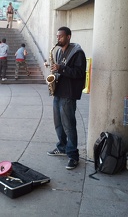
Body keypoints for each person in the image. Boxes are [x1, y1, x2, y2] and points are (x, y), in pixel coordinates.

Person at [47, 26, 87, 170]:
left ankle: (73, 156)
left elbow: (79, 73)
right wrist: (53, 69)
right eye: (57, 36)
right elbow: (59, 70)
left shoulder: (77, 53)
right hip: (58, 92)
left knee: (69, 125)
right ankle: (62, 147)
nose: (58, 38)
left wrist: (61, 68)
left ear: (69, 37)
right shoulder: (58, 52)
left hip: (69, 94)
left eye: (61, 36)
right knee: (58, 123)